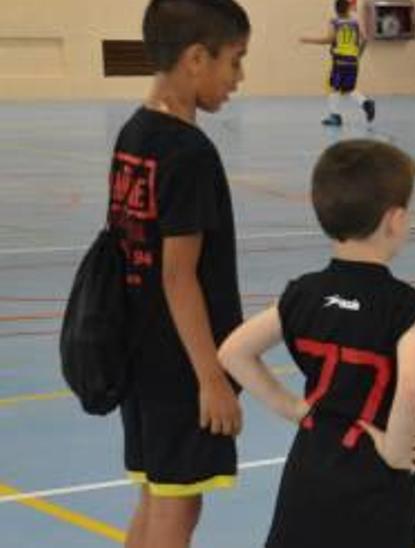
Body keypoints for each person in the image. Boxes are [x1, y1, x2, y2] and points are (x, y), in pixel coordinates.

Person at [217, 140, 415, 547]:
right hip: (377, 488)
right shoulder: (409, 309)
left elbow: (233, 351)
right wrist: (394, 447)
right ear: (396, 220)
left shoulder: (303, 294)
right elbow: (412, 388)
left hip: (310, 472)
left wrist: (290, 406)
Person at [108, 1, 250, 546]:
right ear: (196, 57)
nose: (239, 78)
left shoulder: (134, 133)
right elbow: (178, 276)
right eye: (234, 61)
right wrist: (212, 380)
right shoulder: (188, 153)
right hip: (180, 365)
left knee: (156, 497)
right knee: (177, 510)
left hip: (141, 354)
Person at [301, 0, 376, 127]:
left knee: (332, 87)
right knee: (348, 88)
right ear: (348, 9)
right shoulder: (355, 22)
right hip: (353, 60)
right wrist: (358, 54)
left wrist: (308, 40)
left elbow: (329, 39)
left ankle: (335, 116)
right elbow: (365, 38)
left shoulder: (335, 22)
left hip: (340, 60)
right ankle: (366, 103)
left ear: (336, 9)